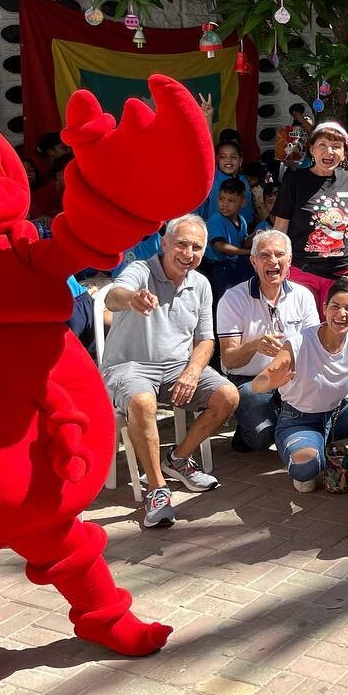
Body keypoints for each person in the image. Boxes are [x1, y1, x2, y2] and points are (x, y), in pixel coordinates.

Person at [101, 215, 239, 529]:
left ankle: (177, 460)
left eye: (196, 247)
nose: (188, 253)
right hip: (129, 365)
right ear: (164, 243)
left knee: (228, 396)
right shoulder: (141, 270)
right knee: (143, 402)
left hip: (177, 368)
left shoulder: (201, 283)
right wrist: (133, 298)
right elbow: (113, 295)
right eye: (181, 244)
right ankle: (157, 489)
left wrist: (192, 373)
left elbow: (206, 340)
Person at [248, 278, 348, 492]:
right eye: (335, 306)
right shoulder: (299, 342)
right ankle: (313, 448)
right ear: (324, 308)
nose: (341, 314)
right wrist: (273, 381)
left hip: (340, 414)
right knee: (307, 469)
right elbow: (257, 385)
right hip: (299, 420)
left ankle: (326, 446)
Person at [216, 229, 320, 452]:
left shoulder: (303, 296)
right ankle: (248, 430)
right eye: (264, 255)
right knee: (263, 437)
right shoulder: (233, 298)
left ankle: (283, 420)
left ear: (289, 260)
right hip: (249, 379)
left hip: (291, 377)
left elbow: (314, 347)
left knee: (326, 415)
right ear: (253, 261)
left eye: (279, 254)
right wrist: (255, 345)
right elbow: (229, 360)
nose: (273, 261)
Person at [271, 121, 348, 311]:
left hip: (341, 274)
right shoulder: (294, 180)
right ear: (311, 149)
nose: (330, 151)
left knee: (335, 330)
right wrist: (277, 264)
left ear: (344, 152)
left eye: (337, 147)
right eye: (322, 145)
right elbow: (280, 228)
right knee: (302, 331)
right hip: (302, 272)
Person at [202, 177, 253, 301]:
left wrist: (255, 237)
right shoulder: (216, 219)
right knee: (225, 299)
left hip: (233, 265)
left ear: (242, 202)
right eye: (221, 199)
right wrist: (247, 252)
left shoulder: (242, 220)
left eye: (231, 200)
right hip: (216, 267)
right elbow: (220, 246)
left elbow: (243, 243)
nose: (224, 204)